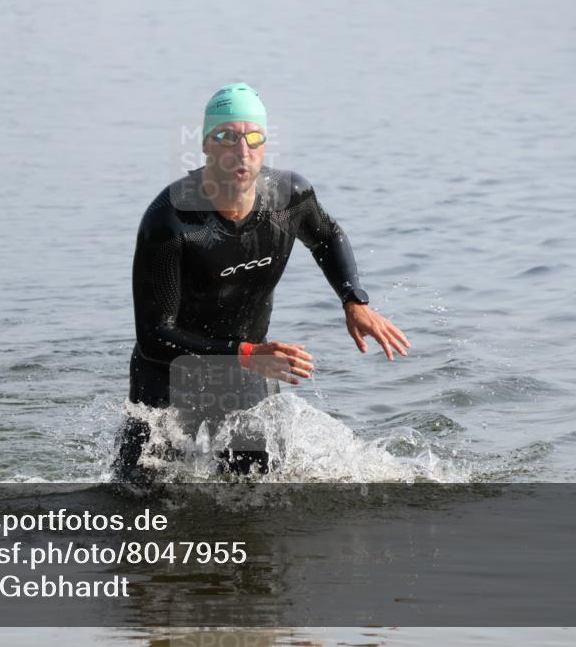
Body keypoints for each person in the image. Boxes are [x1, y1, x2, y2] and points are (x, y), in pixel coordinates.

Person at [111, 82, 410, 484]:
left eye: (254, 138)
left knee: (256, 489)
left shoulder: (290, 198)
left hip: (246, 366)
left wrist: (353, 300)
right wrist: (248, 352)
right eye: (227, 137)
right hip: (167, 373)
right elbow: (153, 335)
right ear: (205, 145)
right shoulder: (170, 222)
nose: (242, 150)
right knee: (137, 496)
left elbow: (327, 235)